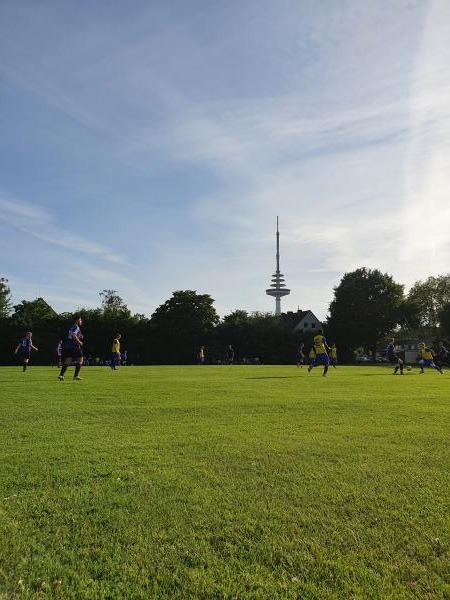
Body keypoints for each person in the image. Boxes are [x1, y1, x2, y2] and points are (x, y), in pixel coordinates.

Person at [58, 315, 84, 381]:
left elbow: (72, 335)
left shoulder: (72, 327)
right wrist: (79, 342)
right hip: (75, 346)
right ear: (77, 320)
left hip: (68, 346)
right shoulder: (76, 326)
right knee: (80, 360)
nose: (81, 321)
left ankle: (61, 375)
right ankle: (76, 376)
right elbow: (73, 335)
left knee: (68, 361)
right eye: (80, 320)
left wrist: (80, 336)